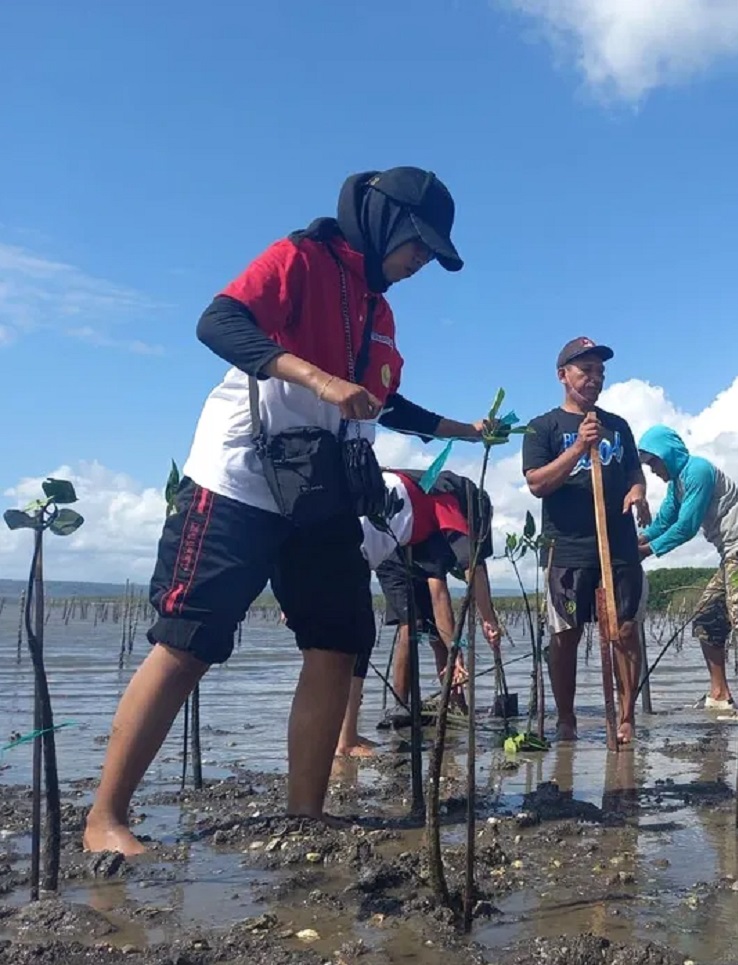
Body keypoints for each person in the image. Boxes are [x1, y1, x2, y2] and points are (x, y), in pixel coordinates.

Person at [83, 167, 494, 855]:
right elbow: (218, 321)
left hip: (325, 492)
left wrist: (459, 429)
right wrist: (317, 377)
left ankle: (308, 811)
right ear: (383, 221)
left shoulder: (380, 310)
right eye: (417, 246)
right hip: (239, 477)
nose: (420, 263)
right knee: (188, 640)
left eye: (430, 254)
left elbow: (384, 399)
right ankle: (105, 817)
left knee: (338, 640)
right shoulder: (300, 258)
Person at [522, 337, 650, 745]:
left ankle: (626, 718)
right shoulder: (543, 427)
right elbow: (537, 484)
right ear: (563, 376)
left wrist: (638, 493)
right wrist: (579, 445)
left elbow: (634, 473)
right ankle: (566, 719)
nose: (595, 379)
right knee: (566, 635)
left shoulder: (619, 426)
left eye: (600, 373)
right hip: (568, 548)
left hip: (619, 547)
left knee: (625, 631)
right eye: (586, 371)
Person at [338, 468, 503, 755]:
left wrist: (455, 652)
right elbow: (464, 573)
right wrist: (488, 620)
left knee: (349, 637)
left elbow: (438, 588)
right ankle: (359, 733)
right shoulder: (450, 501)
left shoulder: (421, 496)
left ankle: (451, 702)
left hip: (340, 529)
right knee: (379, 630)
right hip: (362, 540)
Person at [636, 425, 738, 722]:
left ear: (668, 454)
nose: (653, 470)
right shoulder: (677, 485)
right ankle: (720, 695)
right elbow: (662, 524)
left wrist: (646, 552)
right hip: (731, 556)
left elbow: (686, 526)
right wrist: (629, 542)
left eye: (654, 462)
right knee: (706, 618)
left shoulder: (697, 470)